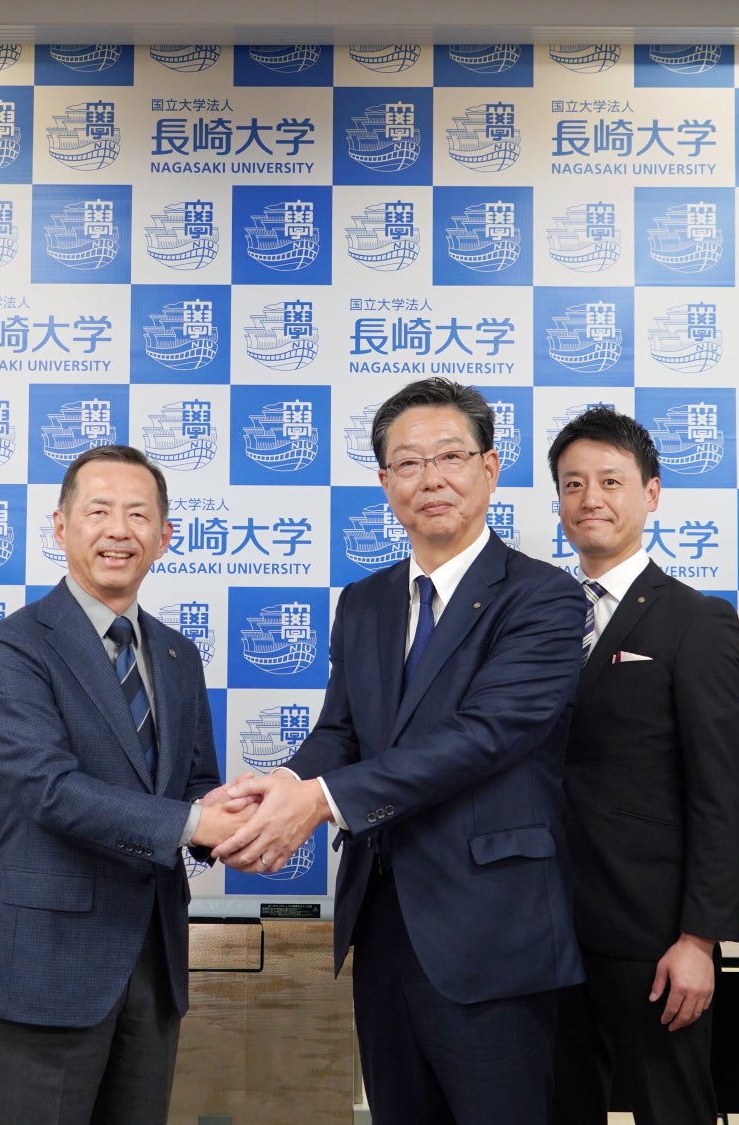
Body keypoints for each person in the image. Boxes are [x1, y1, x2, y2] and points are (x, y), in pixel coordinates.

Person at [215, 376, 586, 1125]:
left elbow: (486, 734)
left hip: (492, 927)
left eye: (450, 456)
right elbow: (341, 731)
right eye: (408, 463)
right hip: (382, 919)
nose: (431, 479)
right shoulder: (365, 601)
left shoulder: (543, 596)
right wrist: (282, 784)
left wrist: (320, 801)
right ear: (386, 483)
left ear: (489, 467)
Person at [0, 445, 244, 1125]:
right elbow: (47, 789)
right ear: (60, 527)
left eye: (138, 515)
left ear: (165, 535)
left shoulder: (178, 654)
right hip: (48, 965)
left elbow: (196, 783)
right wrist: (193, 824)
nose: (119, 530)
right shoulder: (14, 647)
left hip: (154, 960)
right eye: (98, 512)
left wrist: (237, 822)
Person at [545, 406, 739, 1125]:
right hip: (542, 926)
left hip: (651, 933)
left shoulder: (696, 620)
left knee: (671, 1110)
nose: (589, 498)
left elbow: (722, 788)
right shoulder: (536, 616)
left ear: (651, 493)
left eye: (610, 481)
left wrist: (699, 939)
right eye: (572, 484)